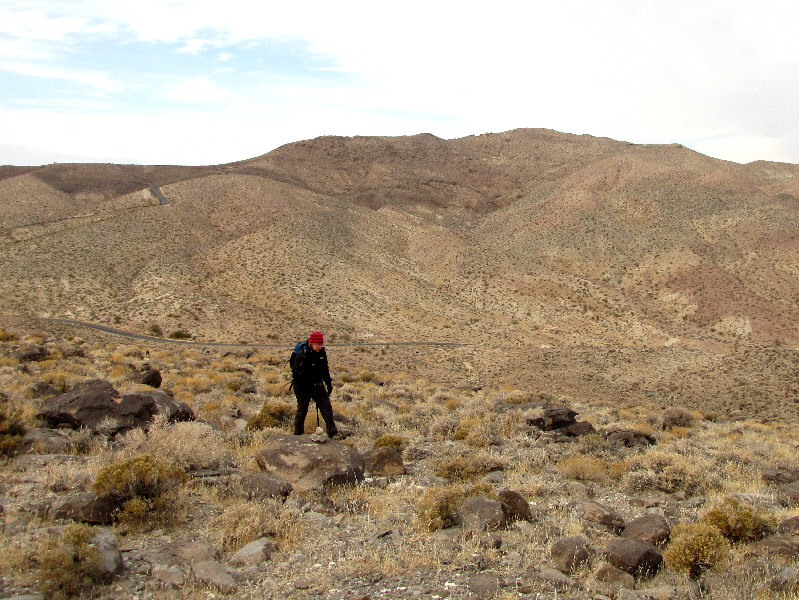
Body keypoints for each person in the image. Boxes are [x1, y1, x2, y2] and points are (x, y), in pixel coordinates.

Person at [290, 331, 341, 439]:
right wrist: (311, 370)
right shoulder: (303, 354)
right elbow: (296, 372)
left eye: (320, 344)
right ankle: (297, 435)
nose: (319, 347)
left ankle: (333, 432)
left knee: (326, 407)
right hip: (302, 385)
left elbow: (324, 370)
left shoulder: (322, 353)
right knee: (302, 410)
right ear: (311, 344)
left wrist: (328, 383)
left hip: (316, 384)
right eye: (316, 344)